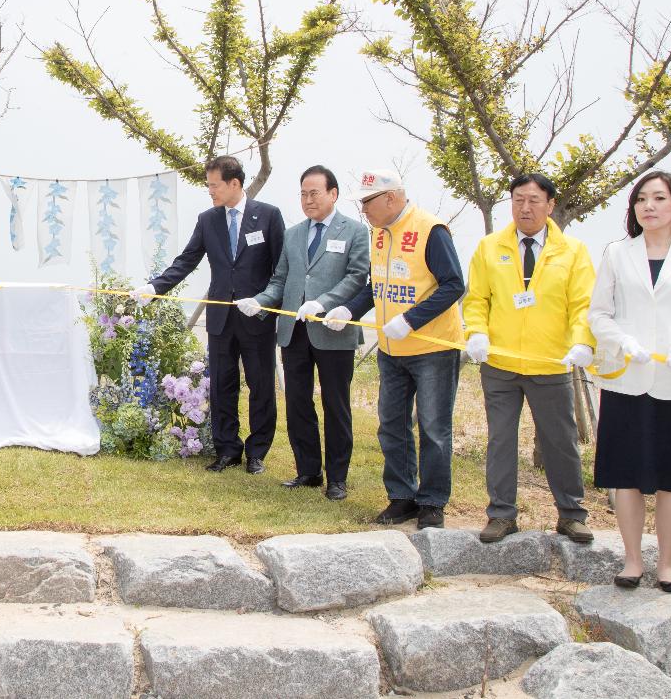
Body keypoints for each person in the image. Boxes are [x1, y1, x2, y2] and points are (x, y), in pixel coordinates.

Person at [588, 171, 671, 593]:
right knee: (625, 473)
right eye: (641, 199)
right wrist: (622, 341)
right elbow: (599, 314)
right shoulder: (617, 253)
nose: (649, 206)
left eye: (659, 198)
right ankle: (632, 560)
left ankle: (666, 565)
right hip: (626, 379)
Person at [463, 173, 596, 545]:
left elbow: (582, 305)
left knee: (560, 440)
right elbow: (477, 300)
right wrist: (476, 332)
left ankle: (571, 514)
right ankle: (501, 514)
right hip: (500, 364)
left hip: (550, 364)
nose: (525, 207)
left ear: (550, 205)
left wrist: (582, 342)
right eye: (518, 199)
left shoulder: (572, 251)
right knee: (501, 440)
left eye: (534, 200)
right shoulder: (490, 247)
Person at [132, 156, 285, 473]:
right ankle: (227, 448)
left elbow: (279, 269)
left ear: (235, 184)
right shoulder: (208, 220)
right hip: (220, 318)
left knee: (260, 386)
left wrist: (266, 302)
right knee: (222, 385)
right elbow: (186, 261)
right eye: (208, 185)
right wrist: (155, 287)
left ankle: (257, 452)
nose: (210, 191)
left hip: (257, 317)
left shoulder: (268, 216)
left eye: (214, 185)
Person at [331, 169, 465, 529]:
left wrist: (411, 320)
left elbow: (453, 285)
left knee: (434, 428)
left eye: (367, 203)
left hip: (432, 347)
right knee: (391, 424)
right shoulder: (378, 234)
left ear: (391, 198)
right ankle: (402, 497)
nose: (364, 211)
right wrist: (349, 310)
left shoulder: (430, 230)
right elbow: (375, 286)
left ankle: (433, 501)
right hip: (391, 350)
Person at [240, 165, 369, 499]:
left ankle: (337, 478)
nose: (308, 200)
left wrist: (323, 303)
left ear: (333, 194)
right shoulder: (295, 234)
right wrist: (260, 301)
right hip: (294, 332)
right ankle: (308, 470)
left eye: (314, 193)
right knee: (297, 403)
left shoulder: (354, 231)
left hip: (333, 331)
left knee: (335, 404)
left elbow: (357, 277)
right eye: (303, 194)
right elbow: (280, 280)